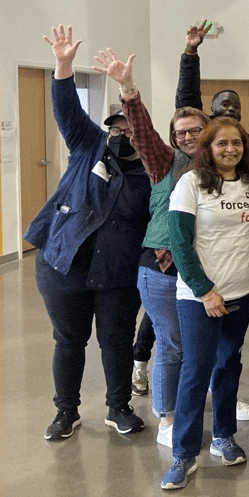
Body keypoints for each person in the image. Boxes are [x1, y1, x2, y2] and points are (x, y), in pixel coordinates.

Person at [27, 25, 151, 441]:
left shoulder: (153, 169)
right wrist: (63, 66)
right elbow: (66, 109)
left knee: (116, 341)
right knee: (69, 340)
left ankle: (119, 408)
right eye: (115, 128)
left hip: (118, 271)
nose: (121, 134)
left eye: (129, 129)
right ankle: (66, 411)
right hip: (64, 264)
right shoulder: (87, 144)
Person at [93, 40, 212, 448]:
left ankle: (202, 402)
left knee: (203, 344)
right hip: (162, 267)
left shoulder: (223, 165)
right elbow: (142, 134)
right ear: (174, 138)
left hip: (207, 267)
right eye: (181, 132)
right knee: (173, 343)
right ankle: (167, 415)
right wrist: (128, 90)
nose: (189, 136)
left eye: (196, 130)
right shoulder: (164, 162)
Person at [161, 118, 249, 490]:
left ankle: (223, 436)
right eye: (222, 143)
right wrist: (205, 291)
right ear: (208, 148)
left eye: (237, 143)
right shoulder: (191, 183)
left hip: (242, 292)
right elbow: (179, 242)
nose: (231, 149)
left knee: (229, 363)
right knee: (196, 372)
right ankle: (184, 454)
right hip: (200, 297)